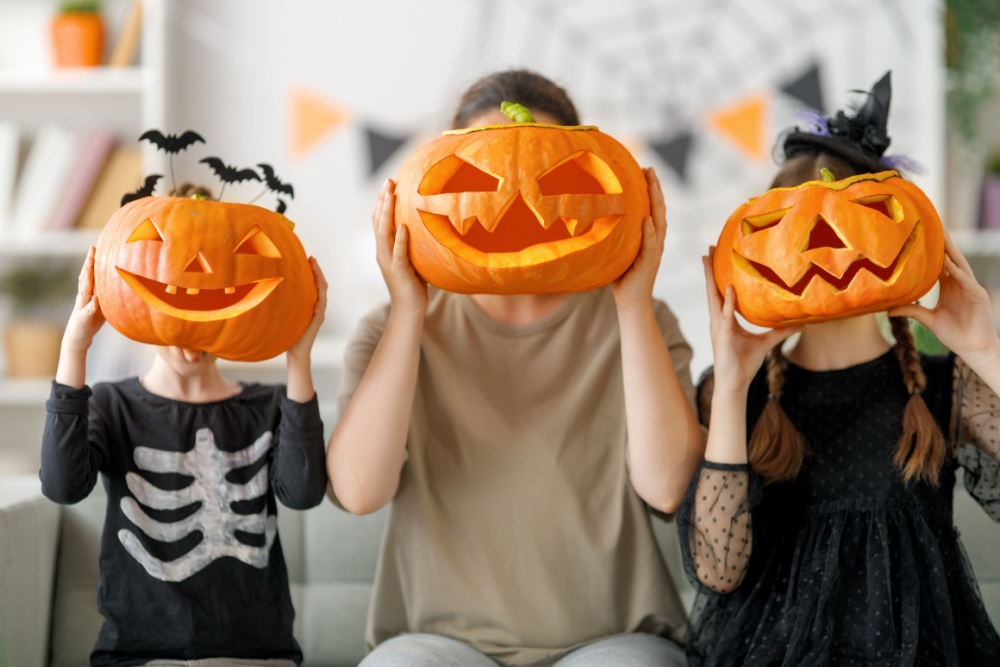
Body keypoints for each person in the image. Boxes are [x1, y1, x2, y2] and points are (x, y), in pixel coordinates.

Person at [326, 69, 704, 667]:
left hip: (613, 641)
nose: (517, 198)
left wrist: (632, 302)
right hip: (438, 644)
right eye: (479, 176)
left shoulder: (643, 318)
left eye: (554, 178)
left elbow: (667, 488)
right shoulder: (389, 327)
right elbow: (359, 490)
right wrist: (408, 311)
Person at [679, 72, 1000, 666]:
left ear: (901, 232)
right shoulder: (734, 397)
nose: (822, 248)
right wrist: (728, 387)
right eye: (781, 229)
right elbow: (718, 572)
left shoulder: (945, 387)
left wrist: (986, 351)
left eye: (856, 220)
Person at [40, 243, 329, 667]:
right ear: (145, 301)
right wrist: (74, 349)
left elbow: (303, 493)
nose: (193, 339)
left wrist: (298, 357)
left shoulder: (268, 406)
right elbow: (62, 486)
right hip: (137, 656)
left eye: (212, 308)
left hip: (257, 658)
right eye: (178, 311)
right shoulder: (112, 404)